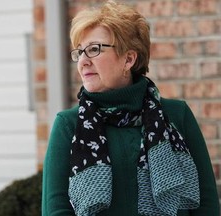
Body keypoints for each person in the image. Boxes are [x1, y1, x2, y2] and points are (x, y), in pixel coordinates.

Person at [41, 1, 220, 215]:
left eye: (94, 49)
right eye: (79, 52)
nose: (83, 61)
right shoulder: (69, 124)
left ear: (128, 59)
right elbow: (56, 209)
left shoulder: (176, 115)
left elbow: (206, 204)